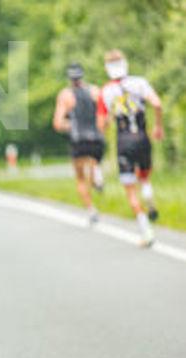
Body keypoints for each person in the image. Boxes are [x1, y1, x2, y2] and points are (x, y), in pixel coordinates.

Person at [97, 49, 164, 247]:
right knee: (144, 177)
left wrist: (107, 123)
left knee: (130, 189)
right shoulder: (139, 82)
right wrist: (158, 126)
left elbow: (102, 124)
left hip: (124, 141)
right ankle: (149, 200)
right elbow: (157, 104)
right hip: (143, 137)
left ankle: (146, 232)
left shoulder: (106, 91)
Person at [53, 63, 106, 225]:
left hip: (79, 140)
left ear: (69, 77)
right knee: (93, 162)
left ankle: (91, 210)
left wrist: (72, 125)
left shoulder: (65, 95)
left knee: (80, 178)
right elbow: (105, 116)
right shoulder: (96, 91)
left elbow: (57, 123)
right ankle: (97, 174)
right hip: (96, 138)